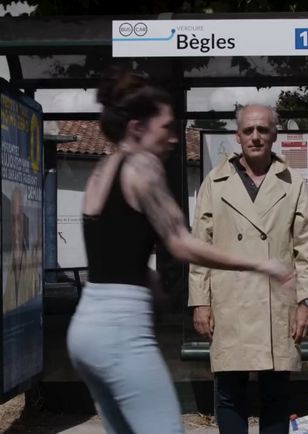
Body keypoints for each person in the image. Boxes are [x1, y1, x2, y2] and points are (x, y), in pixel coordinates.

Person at [66, 70, 294, 434]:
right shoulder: (143, 165)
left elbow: (113, 246)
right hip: (121, 330)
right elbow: (181, 243)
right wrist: (259, 263)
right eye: (166, 128)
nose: (174, 138)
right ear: (138, 128)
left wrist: (147, 277)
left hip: (85, 329)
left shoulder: (104, 168)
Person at [188, 104, 308, 434]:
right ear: (237, 136)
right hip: (228, 301)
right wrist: (200, 302)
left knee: (276, 395)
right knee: (229, 394)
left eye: (263, 130)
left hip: (276, 302)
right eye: (248, 130)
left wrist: (306, 302)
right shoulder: (215, 183)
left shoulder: (293, 184)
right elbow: (200, 248)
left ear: (274, 135)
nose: (256, 137)